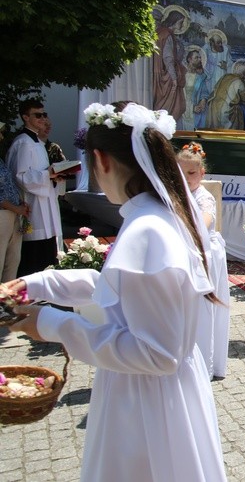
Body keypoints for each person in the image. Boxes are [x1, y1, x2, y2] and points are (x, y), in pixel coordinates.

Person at [6, 101, 226, 481]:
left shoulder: (148, 230)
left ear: (101, 161)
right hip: (150, 389)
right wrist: (37, 284)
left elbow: (157, 354)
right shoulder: (155, 216)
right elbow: (116, 289)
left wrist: (53, 324)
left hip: (146, 403)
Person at [177, 142, 230, 379]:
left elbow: (204, 222)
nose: (187, 178)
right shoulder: (177, 194)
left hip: (204, 254)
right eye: (181, 173)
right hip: (187, 251)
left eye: (191, 173)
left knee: (203, 310)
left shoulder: (204, 197)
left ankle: (203, 364)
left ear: (202, 173)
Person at [6, 100, 64, 276]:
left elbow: (42, 173)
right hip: (33, 206)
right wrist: (48, 174)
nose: (42, 118)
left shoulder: (37, 142)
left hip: (45, 202)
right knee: (35, 254)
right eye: (37, 115)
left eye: (43, 114)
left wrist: (55, 177)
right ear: (25, 117)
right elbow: (20, 176)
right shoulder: (23, 142)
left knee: (47, 250)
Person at [0, 123, 28, 281]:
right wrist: (17, 209)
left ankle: (6, 302)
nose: (2, 136)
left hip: (13, 214)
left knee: (12, 262)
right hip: (3, 214)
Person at [153, 8, 189, 120]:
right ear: (174, 21)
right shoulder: (167, 34)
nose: (182, 25)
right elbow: (168, 58)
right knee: (176, 107)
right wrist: (174, 78)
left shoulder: (160, 32)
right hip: (166, 77)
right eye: (180, 22)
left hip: (158, 73)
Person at [207, 59, 245, 131]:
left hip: (214, 109)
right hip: (228, 111)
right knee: (243, 109)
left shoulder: (225, 77)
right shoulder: (240, 82)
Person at [182, 48, 210, 130]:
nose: (199, 60)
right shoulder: (182, 75)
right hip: (184, 109)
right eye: (196, 58)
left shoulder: (200, 77)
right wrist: (191, 108)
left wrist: (203, 101)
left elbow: (204, 91)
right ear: (189, 59)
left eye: (200, 58)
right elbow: (180, 95)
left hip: (196, 112)